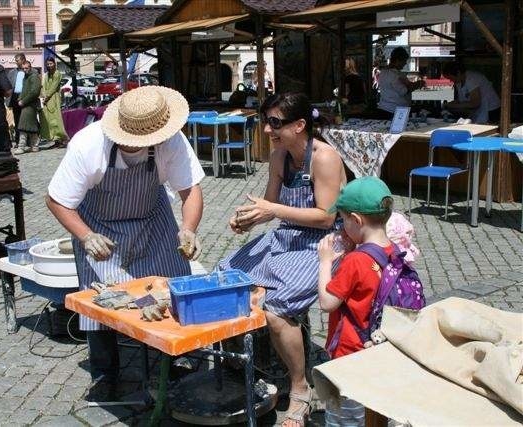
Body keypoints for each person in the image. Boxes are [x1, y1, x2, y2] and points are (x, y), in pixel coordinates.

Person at [46, 85, 204, 402]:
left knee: (168, 288)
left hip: (152, 220)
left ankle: (170, 362)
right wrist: (86, 235)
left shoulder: (171, 140)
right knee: (100, 301)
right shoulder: (88, 145)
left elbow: (190, 191)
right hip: (99, 226)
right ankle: (105, 373)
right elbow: (57, 201)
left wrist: (188, 228)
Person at [218, 92, 346, 427]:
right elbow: (270, 206)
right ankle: (245, 362)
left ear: (300, 125)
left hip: (325, 243)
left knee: (276, 308)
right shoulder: (279, 157)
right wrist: (247, 219)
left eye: (274, 123)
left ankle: (300, 387)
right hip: (288, 236)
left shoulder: (325, 158)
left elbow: (326, 218)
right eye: (266, 121)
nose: (266, 129)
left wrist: (271, 210)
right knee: (227, 275)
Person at [316, 176, 394, 427]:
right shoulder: (394, 252)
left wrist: (325, 261)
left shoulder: (355, 262)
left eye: (342, 219)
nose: (340, 225)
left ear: (357, 221)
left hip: (349, 355)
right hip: (378, 349)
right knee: (372, 412)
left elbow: (327, 303)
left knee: (345, 418)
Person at [377, 47, 424, 119]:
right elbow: (404, 91)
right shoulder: (395, 75)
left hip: (384, 108)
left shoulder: (383, 72)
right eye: (404, 61)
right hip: (394, 111)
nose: (405, 63)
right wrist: (418, 84)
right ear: (397, 60)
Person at [13, 60, 41, 155]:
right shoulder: (27, 77)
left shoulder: (34, 77)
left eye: (27, 68)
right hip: (26, 104)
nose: (25, 70)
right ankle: (35, 146)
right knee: (31, 126)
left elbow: (34, 92)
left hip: (30, 105)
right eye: (23, 68)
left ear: (30, 67)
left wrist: (23, 101)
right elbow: (24, 90)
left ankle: (21, 146)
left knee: (23, 126)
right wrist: (20, 98)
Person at [39, 58, 68, 147]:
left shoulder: (57, 74)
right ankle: (56, 140)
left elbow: (54, 87)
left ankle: (64, 139)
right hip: (46, 99)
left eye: (51, 64)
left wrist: (47, 97)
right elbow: (43, 86)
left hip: (54, 98)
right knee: (50, 120)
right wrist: (43, 96)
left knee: (57, 119)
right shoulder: (47, 75)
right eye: (48, 64)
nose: (49, 65)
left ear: (54, 64)